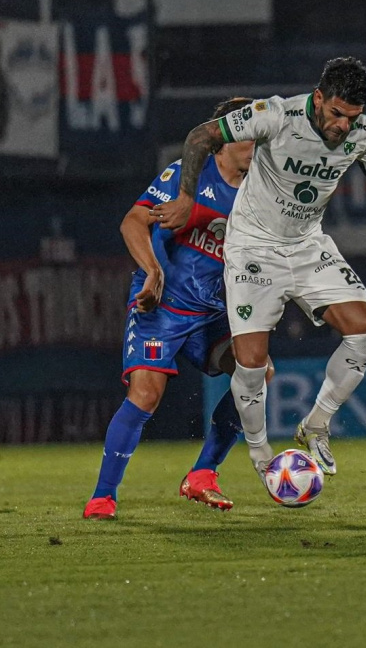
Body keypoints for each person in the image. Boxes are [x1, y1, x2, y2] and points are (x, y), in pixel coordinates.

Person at [155, 57, 366, 482]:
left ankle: (317, 423)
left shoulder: (364, 133)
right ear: (318, 99)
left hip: (308, 244)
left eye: (353, 117)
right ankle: (261, 457)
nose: (344, 126)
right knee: (251, 366)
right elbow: (202, 135)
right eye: (337, 114)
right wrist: (185, 198)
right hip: (254, 246)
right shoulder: (275, 114)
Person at [84, 98, 272, 520]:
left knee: (259, 373)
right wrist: (151, 269)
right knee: (146, 394)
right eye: (247, 134)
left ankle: (203, 473)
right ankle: (103, 496)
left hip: (212, 313)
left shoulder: (263, 192)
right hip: (164, 306)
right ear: (222, 141)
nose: (256, 142)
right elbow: (133, 220)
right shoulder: (189, 176)